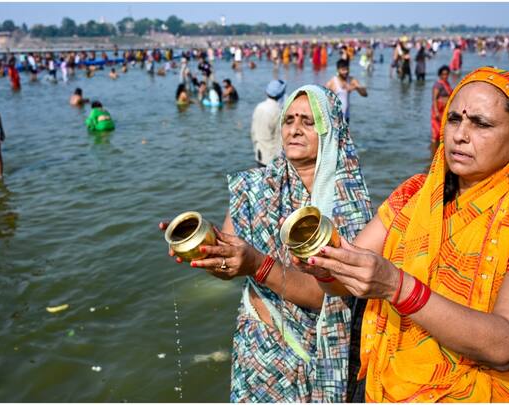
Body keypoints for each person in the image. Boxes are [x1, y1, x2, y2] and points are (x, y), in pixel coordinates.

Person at [296, 67, 509, 402]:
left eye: (481, 124)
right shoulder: (414, 192)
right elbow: (345, 281)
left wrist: (397, 287)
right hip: (383, 385)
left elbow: (507, 342)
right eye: (454, 119)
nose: (459, 134)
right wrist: (325, 266)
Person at [160, 84, 373, 402]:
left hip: (315, 358)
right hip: (258, 350)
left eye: (308, 121)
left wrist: (257, 265)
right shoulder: (255, 186)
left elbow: (323, 296)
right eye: (288, 120)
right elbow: (230, 262)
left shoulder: (348, 204)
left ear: (331, 129)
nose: (294, 130)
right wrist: (207, 249)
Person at [250, 79, 286, 167]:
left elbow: (253, 133)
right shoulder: (278, 111)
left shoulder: (259, 107)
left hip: (260, 154)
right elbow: (280, 138)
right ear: (281, 94)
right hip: (274, 158)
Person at [325, 59, 367, 124]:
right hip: (335, 118)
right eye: (343, 70)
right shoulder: (332, 82)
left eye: (347, 69)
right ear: (338, 70)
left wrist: (356, 87)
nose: (346, 72)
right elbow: (322, 98)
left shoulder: (351, 80)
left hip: (346, 117)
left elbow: (365, 94)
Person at [431, 65, 453, 157]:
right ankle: (433, 153)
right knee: (436, 131)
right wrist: (436, 111)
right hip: (438, 109)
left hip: (445, 109)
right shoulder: (438, 85)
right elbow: (434, 98)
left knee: (444, 131)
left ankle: (440, 152)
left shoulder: (447, 83)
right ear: (440, 75)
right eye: (443, 74)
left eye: (447, 74)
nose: (445, 76)